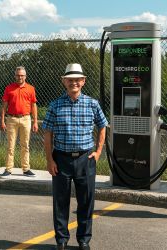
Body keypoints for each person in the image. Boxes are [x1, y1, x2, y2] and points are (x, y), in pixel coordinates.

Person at [42, 63, 107, 250]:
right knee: (60, 201)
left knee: (86, 201)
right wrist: (49, 159)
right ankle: (61, 240)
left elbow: (103, 125)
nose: (74, 83)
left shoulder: (92, 104)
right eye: (70, 79)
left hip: (85, 159)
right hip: (61, 159)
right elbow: (48, 134)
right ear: (64, 82)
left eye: (77, 79)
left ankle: (84, 239)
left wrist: (98, 151)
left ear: (83, 81)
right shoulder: (55, 105)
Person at [0, 66, 38, 177]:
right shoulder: (9, 88)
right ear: (15, 76)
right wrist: (2, 121)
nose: (20, 77)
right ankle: (8, 169)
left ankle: (26, 169)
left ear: (25, 76)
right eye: (18, 75)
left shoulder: (31, 89)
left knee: (25, 145)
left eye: (22, 75)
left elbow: (33, 105)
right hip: (11, 119)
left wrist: (35, 121)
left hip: (26, 118)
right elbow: (4, 106)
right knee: (10, 145)